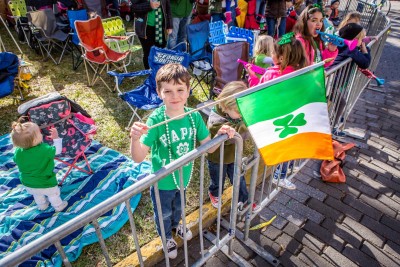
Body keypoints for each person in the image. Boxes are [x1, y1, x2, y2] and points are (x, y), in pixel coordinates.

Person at [130, 63, 236, 259]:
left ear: (188, 91)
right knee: (163, 214)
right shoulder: (155, 121)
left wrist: (221, 134)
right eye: (168, 91)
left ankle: (177, 225)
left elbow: (208, 148)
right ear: (159, 93)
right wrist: (135, 139)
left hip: (182, 178)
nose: (175, 96)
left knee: (178, 208)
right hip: (162, 181)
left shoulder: (194, 117)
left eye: (180, 89)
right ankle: (165, 236)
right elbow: (137, 158)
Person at [247, 33, 307, 189]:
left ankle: (278, 175)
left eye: (273, 52)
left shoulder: (272, 74)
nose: (271, 55)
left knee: (283, 146)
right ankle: (287, 168)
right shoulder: (301, 73)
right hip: (294, 116)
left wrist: (252, 77)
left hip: (276, 119)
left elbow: (258, 94)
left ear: (280, 58)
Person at [207, 81, 261, 212]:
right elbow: (236, 135)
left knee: (239, 179)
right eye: (239, 112)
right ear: (226, 105)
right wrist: (247, 123)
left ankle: (245, 200)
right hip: (217, 157)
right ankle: (214, 193)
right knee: (218, 180)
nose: (242, 115)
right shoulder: (215, 120)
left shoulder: (234, 113)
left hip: (234, 155)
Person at [11, 121, 68, 212]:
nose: (41, 134)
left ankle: (42, 206)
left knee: (37, 194)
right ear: (34, 140)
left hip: (28, 183)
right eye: (39, 133)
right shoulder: (44, 149)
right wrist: (56, 138)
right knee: (53, 195)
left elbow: (15, 160)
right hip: (46, 181)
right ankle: (58, 206)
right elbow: (57, 151)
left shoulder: (18, 151)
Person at [132, 0, 172, 69]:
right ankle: (149, 74)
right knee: (148, 52)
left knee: (160, 51)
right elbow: (133, 7)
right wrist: (149, 5)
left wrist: (169, 25)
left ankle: (159, 72)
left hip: (160, 27)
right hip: (145, 28)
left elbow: (168, 8)